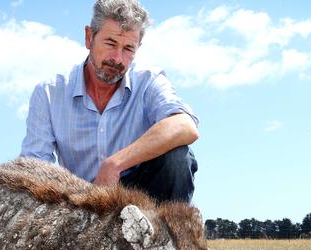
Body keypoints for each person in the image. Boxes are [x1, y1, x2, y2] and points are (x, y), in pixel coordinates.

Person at [20, 0, 199, 203]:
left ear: (138, 48)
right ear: (89, 37)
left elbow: (185, 126)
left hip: (141, 198)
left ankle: (167, 235)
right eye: (111, 43)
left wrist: (115, 164)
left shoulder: (149, 81)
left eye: (128, 49)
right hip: (78, 205)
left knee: (178, 157)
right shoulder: (48, 93)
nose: (118, 58)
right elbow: (33, 166)